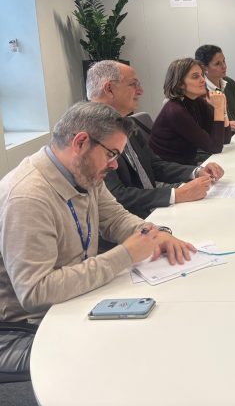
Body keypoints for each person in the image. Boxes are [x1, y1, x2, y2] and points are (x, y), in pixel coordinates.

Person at [0, 102, 195, 375]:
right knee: (133, 357)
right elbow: (36, 293)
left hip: (75, 299)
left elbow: (114, 217)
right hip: (31, 326)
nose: (114, 165)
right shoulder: (28, 197)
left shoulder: (84, 173)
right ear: (80, 142)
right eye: (111, 154)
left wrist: (153, 234)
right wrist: (125, 255)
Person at [86, 60, 225, 218]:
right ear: (109, 89)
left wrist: (196, 171)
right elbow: (117, 196)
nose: (140, 91)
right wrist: (176, 194)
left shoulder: (126, 122)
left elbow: (155, 165)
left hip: (151, 208)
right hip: (131, 219)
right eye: (133, 84)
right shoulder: (90, 134)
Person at [150, 58, 233, 165]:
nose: (203, 80)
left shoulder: (196, 101)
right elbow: (214, 147)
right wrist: (218, 108)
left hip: (186, 162)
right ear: (180, 84)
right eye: (195, 76)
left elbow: (225, 139)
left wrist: (223, 109)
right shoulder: (176, 110)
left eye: (202, 75)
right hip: (169, 168)